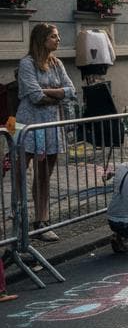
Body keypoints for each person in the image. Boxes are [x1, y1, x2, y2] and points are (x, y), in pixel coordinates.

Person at [17, 23, 75, 241]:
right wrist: (56, 96)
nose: (58, 40)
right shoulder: (27, 63)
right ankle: (19, 219)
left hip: (51, 125)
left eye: (58, 36)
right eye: (53, 36)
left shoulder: (56, 63)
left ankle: (42, 221)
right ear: (42, 39)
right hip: (29, 126)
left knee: (44, 175)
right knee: (20, 174)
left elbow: (71, 91)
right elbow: (34, 96)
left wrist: (49, 93)